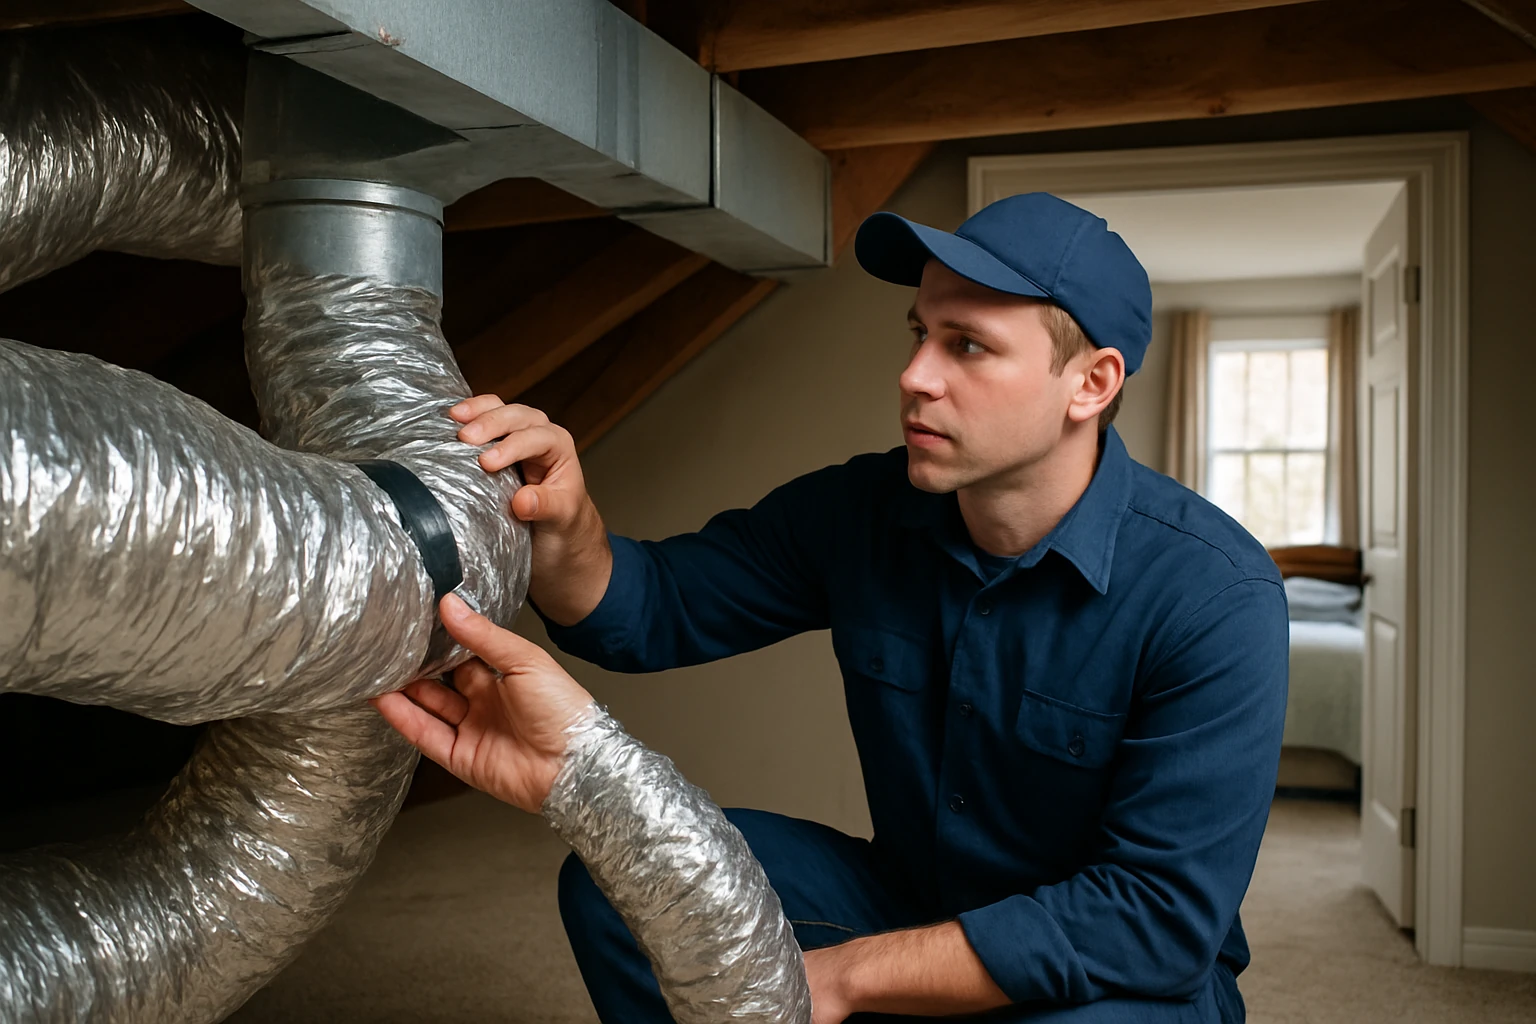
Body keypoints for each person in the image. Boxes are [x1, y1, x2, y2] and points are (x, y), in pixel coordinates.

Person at [375, 192, 1289, 1024]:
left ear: (1090, 383)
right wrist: (565, 522)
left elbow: (1152, 920)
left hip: (1114, 976)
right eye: (918, 334)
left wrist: (847, 975)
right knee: (628, 881)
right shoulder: (862, 511)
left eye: (967, 345)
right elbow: (651, 609)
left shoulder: (1216, 595)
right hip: (916, 899)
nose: (916, 375)